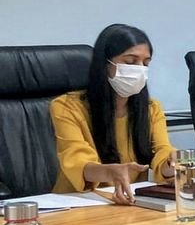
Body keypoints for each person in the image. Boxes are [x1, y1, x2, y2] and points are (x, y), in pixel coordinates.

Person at [51, 24, 175, 205]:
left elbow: (162, 150)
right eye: (130, 62)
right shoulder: (67, 107)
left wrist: (171, 165)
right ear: (105, 63)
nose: (140, 69)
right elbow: (76, 161)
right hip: (75, 203)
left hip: (129, 202)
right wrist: (110, 172)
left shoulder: (151, 108)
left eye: (146, 63)